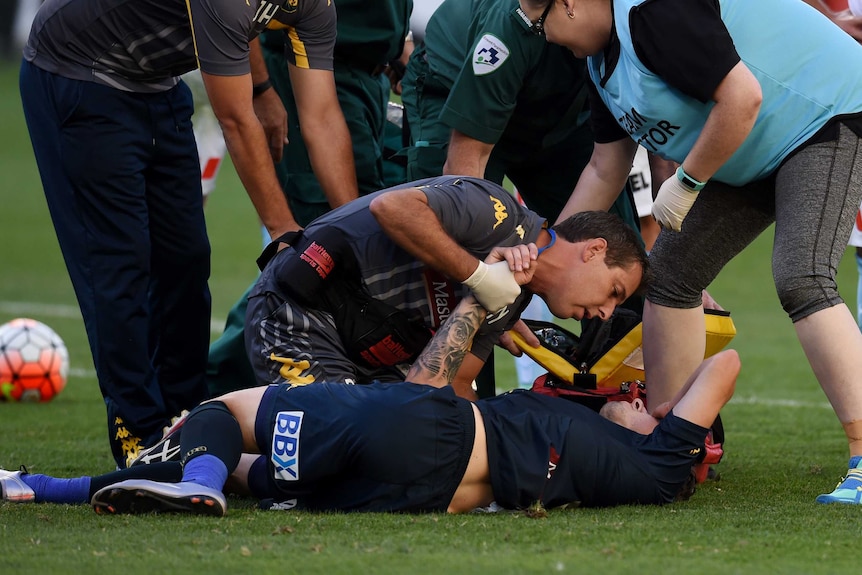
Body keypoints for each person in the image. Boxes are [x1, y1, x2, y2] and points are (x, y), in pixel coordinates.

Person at [0, 283, 741, 516]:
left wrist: (675, 420)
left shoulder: (658, 460)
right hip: (409, 490)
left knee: (222, 412)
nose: (641, 397)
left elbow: (727, 361)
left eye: (651, 403)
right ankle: (38, 487)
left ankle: (191, 483)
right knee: (248, 471)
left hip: (423, 427)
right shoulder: (619, 468)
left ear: (678, 436)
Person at [520, 0, 862, 503]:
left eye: (537, 21)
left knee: (801, 276)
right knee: (670, 274)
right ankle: (674, 445)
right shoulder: (599, 61)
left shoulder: (651, 12)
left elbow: (742, 98)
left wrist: (686, 182)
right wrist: (544, 252)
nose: (543, 37)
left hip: (828, 109)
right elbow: (604, 169)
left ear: (569, 3)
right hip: (756, 141)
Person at [19, 0, 350, 468]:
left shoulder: (316, 6)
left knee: (187, 261)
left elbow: (321, 117)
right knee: (120, 265)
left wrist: (355, 222)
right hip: (78, 73)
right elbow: (235, 123)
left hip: (157, 85)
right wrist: (283, 233)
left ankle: (187, 424)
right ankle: (139, 437)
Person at [243, 175, 648, 401]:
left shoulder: (512, 301)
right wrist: (478, 277)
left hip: (363, 350)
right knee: (329, 440)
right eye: (614, 291)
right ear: (594, 251)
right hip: (298, 310)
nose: (606, 313)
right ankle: (206, 435)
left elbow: (452, 385)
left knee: (383, 446)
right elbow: (392, 208)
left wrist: (508, 434)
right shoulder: (498, 211)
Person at [206, 0, 415, 397]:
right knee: (315, 253)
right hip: (310, 73)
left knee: (352, 253)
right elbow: (239, 10)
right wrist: (261, 86)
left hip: (371, 79)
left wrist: (396, 45)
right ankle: (215, 386)